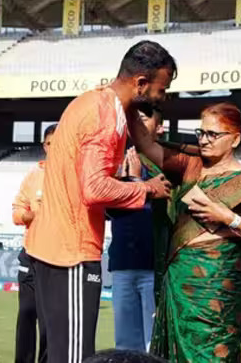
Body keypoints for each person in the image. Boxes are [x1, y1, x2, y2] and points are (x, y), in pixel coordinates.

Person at [24, 40, 175, 363]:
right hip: (71, 254)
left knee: (56, 354)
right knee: (75, 358)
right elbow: (93, 188)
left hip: (49, 249)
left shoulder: (97, 102)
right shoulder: (105, 118)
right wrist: (145, 189)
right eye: (163, 89)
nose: (164, 98)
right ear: (141, 83)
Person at [129, 102, 241, 362]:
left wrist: (227, 217)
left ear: (235, 139)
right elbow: (144, 143)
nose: (205, 140)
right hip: (178, 286)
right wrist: (129, 101)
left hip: (217, 294)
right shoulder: (190, 166)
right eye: (201, 133)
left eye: (213, 134)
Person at [107, 108, 164, 352]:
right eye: (135, 118)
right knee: (125, 345)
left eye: (145, 118)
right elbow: (108, 208)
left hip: (155, 267)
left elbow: (165, 206)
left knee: (155, 345)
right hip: (122, 265)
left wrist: (136, 183)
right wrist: (129, 184)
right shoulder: (116, 162)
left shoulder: (168, 162)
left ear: (159, 127)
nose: (138, 122)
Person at [12, 124, 56, 363]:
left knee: (48, 321)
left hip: (54, 257)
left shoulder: (70, 175)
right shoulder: (32, 176)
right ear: (44, 146)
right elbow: (17, 211)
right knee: (27, 313)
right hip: (30, 254)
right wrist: (28, 216)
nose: (55, 148)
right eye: (51, 143)